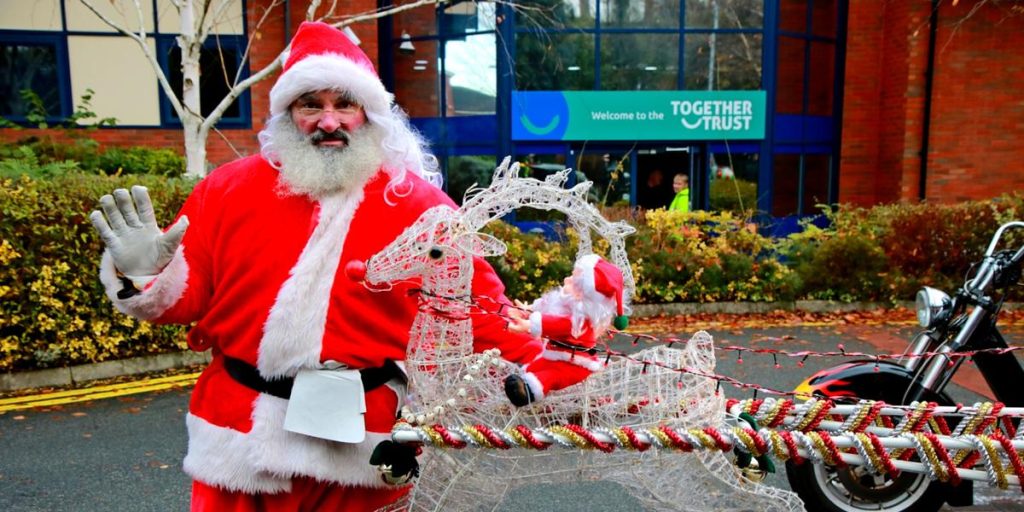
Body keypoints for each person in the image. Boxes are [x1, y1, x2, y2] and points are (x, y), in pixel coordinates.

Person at [88, 21, 543, 512]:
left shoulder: (420, 205)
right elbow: (188, 296)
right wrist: (141, 275)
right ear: (288, 113)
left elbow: (475, 308)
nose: (330, 121)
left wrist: (554, 362)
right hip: (239, 435)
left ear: (368, 113)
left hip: (363, 445)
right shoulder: (226, 190)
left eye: (344, 103)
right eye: (311, 105)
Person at [503, 254, 628, 406]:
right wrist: (527, 310)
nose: (566, 280)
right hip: (555, 355)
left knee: (551, 377)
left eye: (572, 279)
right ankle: (522, 382)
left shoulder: (579, 322)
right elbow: (547, 307)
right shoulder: (566, 305)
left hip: (574, 365)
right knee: (537, 366)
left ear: (581, 293)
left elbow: (556, 324)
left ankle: (528, 392)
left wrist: (528, 325)